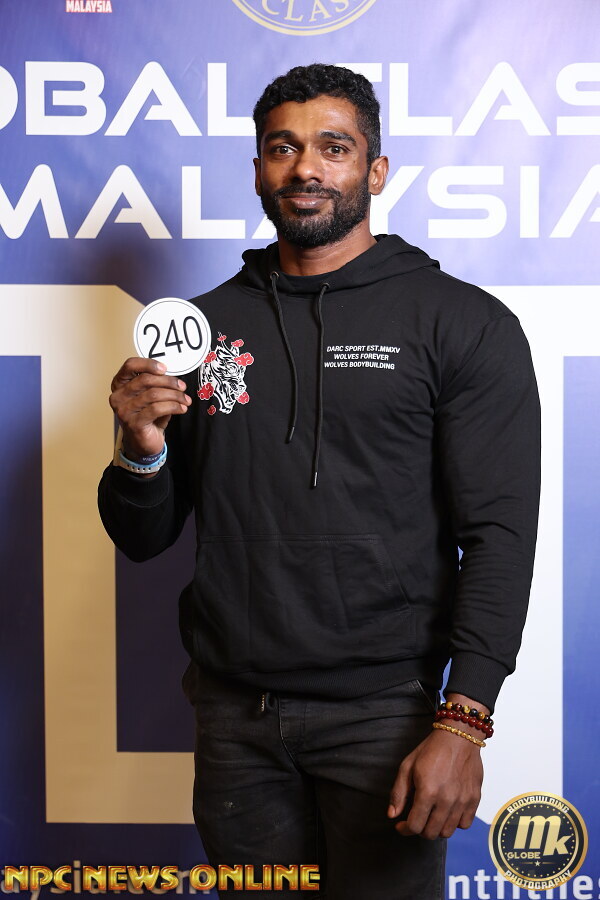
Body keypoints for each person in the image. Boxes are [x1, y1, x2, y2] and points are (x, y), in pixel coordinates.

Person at [98, 64, 541, 899]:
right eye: (283, 148)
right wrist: (141, 446)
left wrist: (464, 722)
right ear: (258, 170)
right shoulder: (203, 327)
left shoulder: (462, 323)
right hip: (236, 720)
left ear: (375, 170)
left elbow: (499, 539)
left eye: (334, 148)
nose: (306, 168)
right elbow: (143, 536)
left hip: (387, 718)